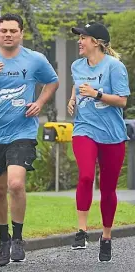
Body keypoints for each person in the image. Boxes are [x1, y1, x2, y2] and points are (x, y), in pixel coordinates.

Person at [0, 13, 59, 266]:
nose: (8, 34)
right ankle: (3, 238)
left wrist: (39, 102)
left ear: (21, 33)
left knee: (16, 184)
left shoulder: (35, 59)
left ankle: (18, 238)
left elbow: (52, 82)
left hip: (22, 133)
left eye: (13, 31)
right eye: (3, 30)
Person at [67, 22, 130, 262]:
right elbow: (77, 84)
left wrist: (97, 94)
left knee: (108, 189)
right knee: (85, 175)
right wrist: (73, 99)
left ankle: (106, 236)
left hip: (112, 134)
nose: (79, 41)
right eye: (79, 37)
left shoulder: (115, 67)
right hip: (84, 128)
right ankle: (82, 231)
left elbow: (122, 101)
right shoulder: (76, 65)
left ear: (96, 42)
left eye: (83, 37)